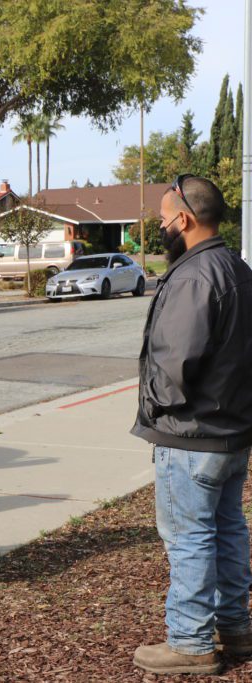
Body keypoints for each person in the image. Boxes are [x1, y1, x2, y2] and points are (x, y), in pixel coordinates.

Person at [131, 175, 252, 675]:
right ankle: (236, 630)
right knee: (226, 529)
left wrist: (156, 409)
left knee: (190, 536)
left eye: (162, 220)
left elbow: (174, 363)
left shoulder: (193, 276)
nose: (160, 229)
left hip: (190, 433)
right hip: (230, 433)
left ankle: (190, 642)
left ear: (183, 220)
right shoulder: (237, 268)